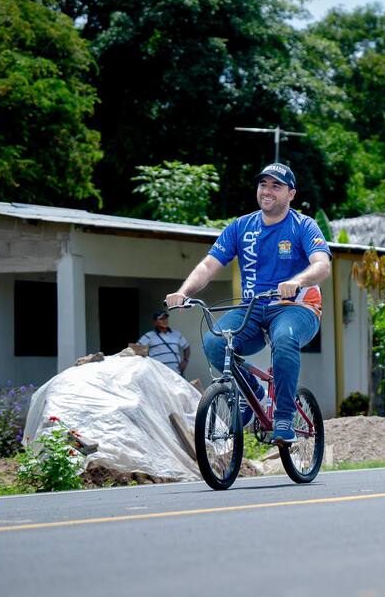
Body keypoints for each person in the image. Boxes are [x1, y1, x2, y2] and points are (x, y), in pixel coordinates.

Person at [165, 162, 331, 445]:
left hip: (297, 307)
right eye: (263, 185)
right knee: (215, 343)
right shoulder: (241, 227)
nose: (267, 191)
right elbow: (208, 266)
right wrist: (183, 292)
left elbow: (322, 265)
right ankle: (252, 393)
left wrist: (298, 281)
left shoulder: (303, 225)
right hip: (253, 308)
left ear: (291, 194)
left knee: (284, 338)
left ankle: (284, 415)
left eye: (276, 186)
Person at [137, 309, 190, 376]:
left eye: (166, 318)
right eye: (161, 319)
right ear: (155, 322)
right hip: (159, 375)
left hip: (176, 374)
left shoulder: (176, 334)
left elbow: (187, 347)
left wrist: (185, 361)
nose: (165, 321)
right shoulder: (149, 335)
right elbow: (136, 349)